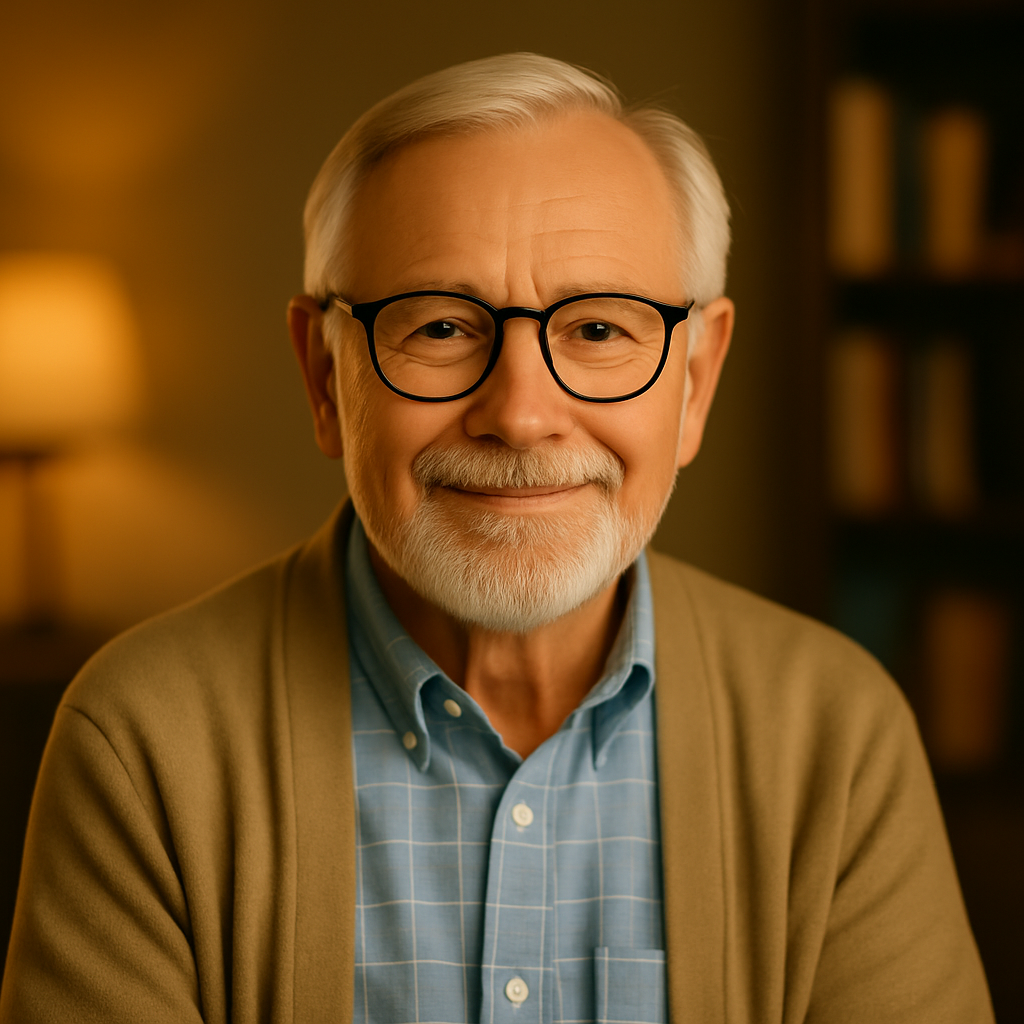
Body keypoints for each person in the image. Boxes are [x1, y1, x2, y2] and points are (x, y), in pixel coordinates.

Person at [0, 53, 993, 1024]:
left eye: (599, 330)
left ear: (693, 384)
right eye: (439, 328)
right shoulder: (140, 740)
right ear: (323, 377)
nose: (520, 413)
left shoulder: (836, 734)